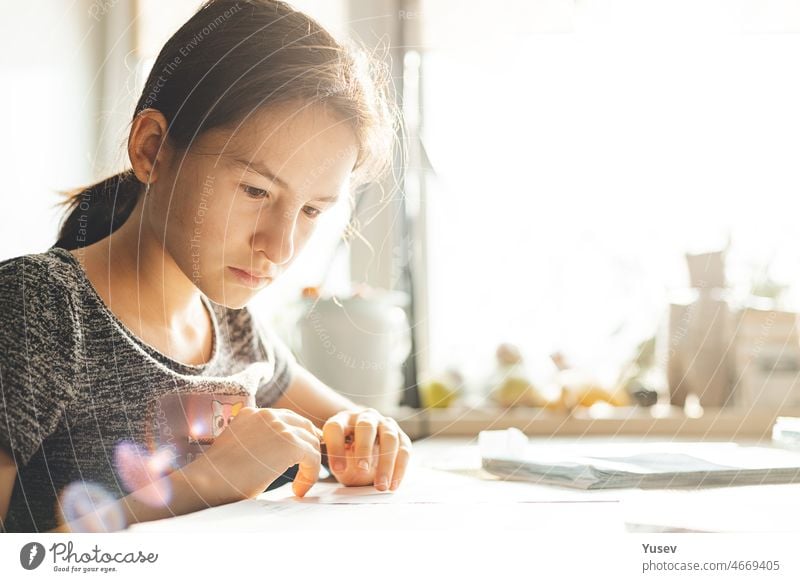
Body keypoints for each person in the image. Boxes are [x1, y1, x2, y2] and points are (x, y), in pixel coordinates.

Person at [0, 0, 411, 533]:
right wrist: (203, 484)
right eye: (255, 190)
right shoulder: (39, 309)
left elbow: (347, 426)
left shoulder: (230, 322)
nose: (280, 246)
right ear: (152, 149)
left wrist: (367, 433)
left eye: (311, 210)